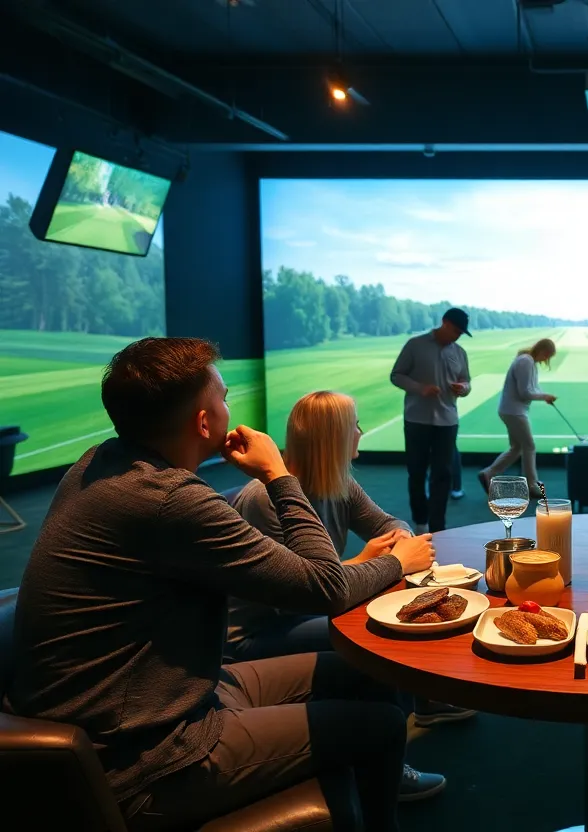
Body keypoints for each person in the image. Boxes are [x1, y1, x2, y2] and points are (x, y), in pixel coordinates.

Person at [2, 337, 437, 832]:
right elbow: (326, 587)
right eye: (225, 396)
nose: (232, 407)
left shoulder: (99, 462)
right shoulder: (171, 500)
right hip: (147, 753)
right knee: (380, 728)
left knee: (369, 671)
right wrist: (277, 472)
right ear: (204, 422)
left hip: (181, 693)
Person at [228, 390, 476, 728]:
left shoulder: (338, 481)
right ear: (334, 438)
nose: (360, 431)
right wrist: (362, 562)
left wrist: (399, 540)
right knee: (372, 625)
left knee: (388, 602)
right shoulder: (265, 499)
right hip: (260, 630)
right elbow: (292, 596)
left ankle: (422, 700)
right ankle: (399, 731)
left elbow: (387, 523)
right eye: (355, 425)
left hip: (310, 603)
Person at [390, 308, 472, 533]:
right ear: (444, 323)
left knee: (443, 475)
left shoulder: (459, 352)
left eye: (461, 333)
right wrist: (420, 388)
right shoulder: (415, 345)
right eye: (456, 330)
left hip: (447, 420)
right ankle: (420, 521)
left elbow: (466, 381)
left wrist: (462, 388)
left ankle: (438, 526)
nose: (458, 336)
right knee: (416, 472)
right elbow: (396, 375)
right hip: (417, 419)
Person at [478, 338, 558, 499]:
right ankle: (531, 485)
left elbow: (531, 388)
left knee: (517, 448)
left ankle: (488, 473)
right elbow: (525, 392)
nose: (546, 359)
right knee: (529, 445)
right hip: (514, 411)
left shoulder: (528, 361)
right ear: (542, 351)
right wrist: (545, 396)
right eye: (547, 355)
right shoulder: (525, 362)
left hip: (512, 410)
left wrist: (545, 397)